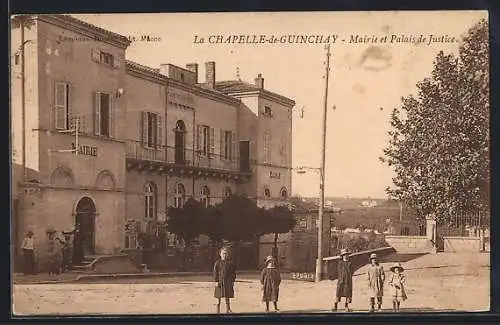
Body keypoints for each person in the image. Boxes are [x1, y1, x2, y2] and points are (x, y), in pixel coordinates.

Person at [213, 247, 236, 314]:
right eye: (223, 253)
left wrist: (232, 281)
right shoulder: (217, 263)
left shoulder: (230, 263)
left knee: (227, 295)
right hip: (220, 281)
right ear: (220, 254)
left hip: (227, 282)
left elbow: (233, 273)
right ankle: (218, 310)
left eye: (226, 254)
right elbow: (215, 272)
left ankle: (228, 309)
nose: (224, 255)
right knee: (218, 296)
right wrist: (216, 281)